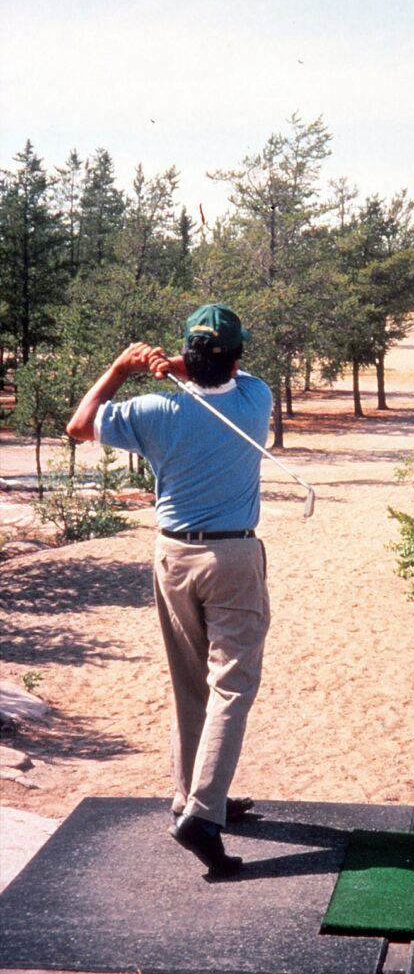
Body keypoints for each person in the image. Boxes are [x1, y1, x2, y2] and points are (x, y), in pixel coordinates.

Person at [67, 304, 273, 877]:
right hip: (233, 558)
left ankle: (191, 797)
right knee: (232, 685)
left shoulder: (153, 409)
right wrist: (181, 365)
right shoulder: (256, 399)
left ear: (187, 353)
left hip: (172, 557)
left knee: (190, 684)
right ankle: (202, 815)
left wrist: (122, 368)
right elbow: (221, 372)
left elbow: (79, 425)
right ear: (236, 357)